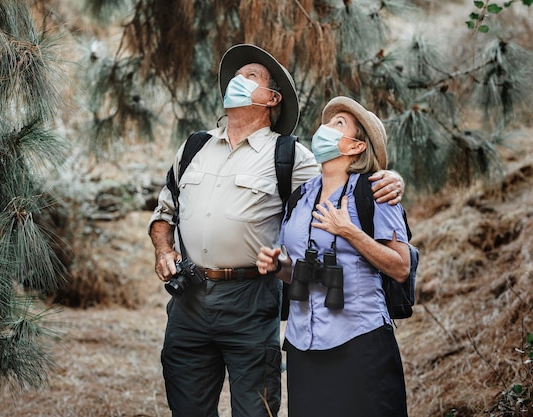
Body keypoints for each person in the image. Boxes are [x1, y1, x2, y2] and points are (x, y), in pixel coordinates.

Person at [148, 45, 404, 417]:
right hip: (189, 300)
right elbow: (163, 212)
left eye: (250, 76)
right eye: (237, 76)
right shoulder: (193, 147)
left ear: (272, 98)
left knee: (257, 410)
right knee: (186, 407)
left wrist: (392, 178)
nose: (237, 80)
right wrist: (162, 249)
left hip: (251, 300)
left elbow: (342, 178)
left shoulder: (290, 156)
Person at [256, 96, 410, 417]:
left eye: (338, 124)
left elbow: (401, 267)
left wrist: (349, 231)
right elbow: (297, 268)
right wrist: (279, 265)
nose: (324, 127)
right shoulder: (300, 196)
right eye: (326, 122)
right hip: (302, 345)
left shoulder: (377, 191)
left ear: (355, 147)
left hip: (360, 342)